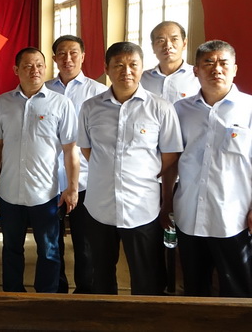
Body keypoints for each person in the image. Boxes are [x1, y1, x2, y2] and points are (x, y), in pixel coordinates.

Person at [78, 42, 182, 295]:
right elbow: (87, 149)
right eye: (118, 65)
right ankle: (105, 313)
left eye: (133, 65)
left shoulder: (160, 108)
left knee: (147, 277)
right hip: (100, 206)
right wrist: (110, 169)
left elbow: (170, 154)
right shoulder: (91, 107)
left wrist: (140, 172)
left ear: (141, 67)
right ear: (107, 69)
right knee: (101, 274)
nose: (126, 71)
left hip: (141, 207)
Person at [0, 47, 79, 294]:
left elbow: (70, 149)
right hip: (10, 193)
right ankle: (13, 295)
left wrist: (72, 187)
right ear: (16, 70)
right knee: (11, 248)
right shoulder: (3, 103)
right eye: (27, 66)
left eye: (39, 65)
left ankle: (46, 299)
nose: (34, 70)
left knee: (49, 250)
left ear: (46, 68)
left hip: (45, 194)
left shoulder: (61, 104)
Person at [164, 40, 252, 297]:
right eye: (208, 63)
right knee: (194, 288)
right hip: (189, 215)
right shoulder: (180, 110)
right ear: (196, 70)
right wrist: (166, 202)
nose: (217, 69)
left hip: (233, 218)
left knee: (238, 289)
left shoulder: (248, 109)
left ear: (235, 69)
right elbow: (172, 161)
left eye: (223, 63)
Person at [45, 35, 107, 294]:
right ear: (54, 58)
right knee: (52, 242)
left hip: (86, 180)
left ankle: (85, 291)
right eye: (61, 53)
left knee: (85, 241)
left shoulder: (98, 92)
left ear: (83, 56)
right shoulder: (44, 90)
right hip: (49, 179)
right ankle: (56, 289)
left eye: (73, 53)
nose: (67, 59)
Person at [140, 21, 200, 102]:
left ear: (184, 44)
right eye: (161, 41)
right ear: (153, 47)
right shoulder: (142, 79)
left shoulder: (198, 77)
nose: (168, 45)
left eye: (174, 39)